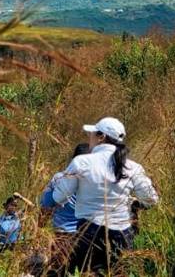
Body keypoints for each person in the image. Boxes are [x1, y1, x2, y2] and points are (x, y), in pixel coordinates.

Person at [52, 117, 158, 275]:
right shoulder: (133, 167)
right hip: (122, 234)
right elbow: (150, 200)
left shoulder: (82, 162)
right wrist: (134, 205)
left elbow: (59, 197)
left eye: (92, 134)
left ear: (101, 137)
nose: (90, 137)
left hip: (88, 232)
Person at [39, 143, 91, 273]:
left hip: (62, 236)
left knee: (58, 271)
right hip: (88, 237)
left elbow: (46, 204)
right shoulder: (97, 181)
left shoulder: (59, 178)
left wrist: (40, 229)